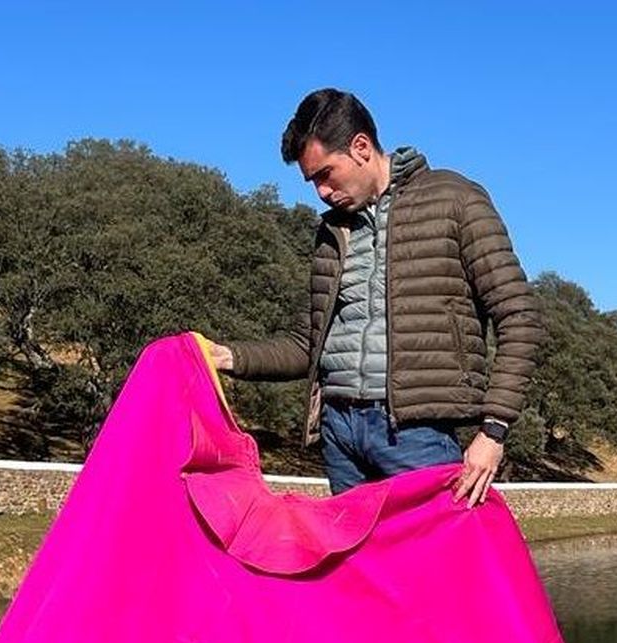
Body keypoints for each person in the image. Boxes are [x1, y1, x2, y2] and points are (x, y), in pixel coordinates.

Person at [206, 88, 544, 506]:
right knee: (358, 573)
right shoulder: (332, 233)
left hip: (417, 435)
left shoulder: (456, 200)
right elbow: (308, 345)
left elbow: (519, 317)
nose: (322, 193)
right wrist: (226, 357)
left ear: (361, 147)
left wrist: (494, 431)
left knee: (432, 571)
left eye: (326, 175)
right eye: (313, 182)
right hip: (339, 436)